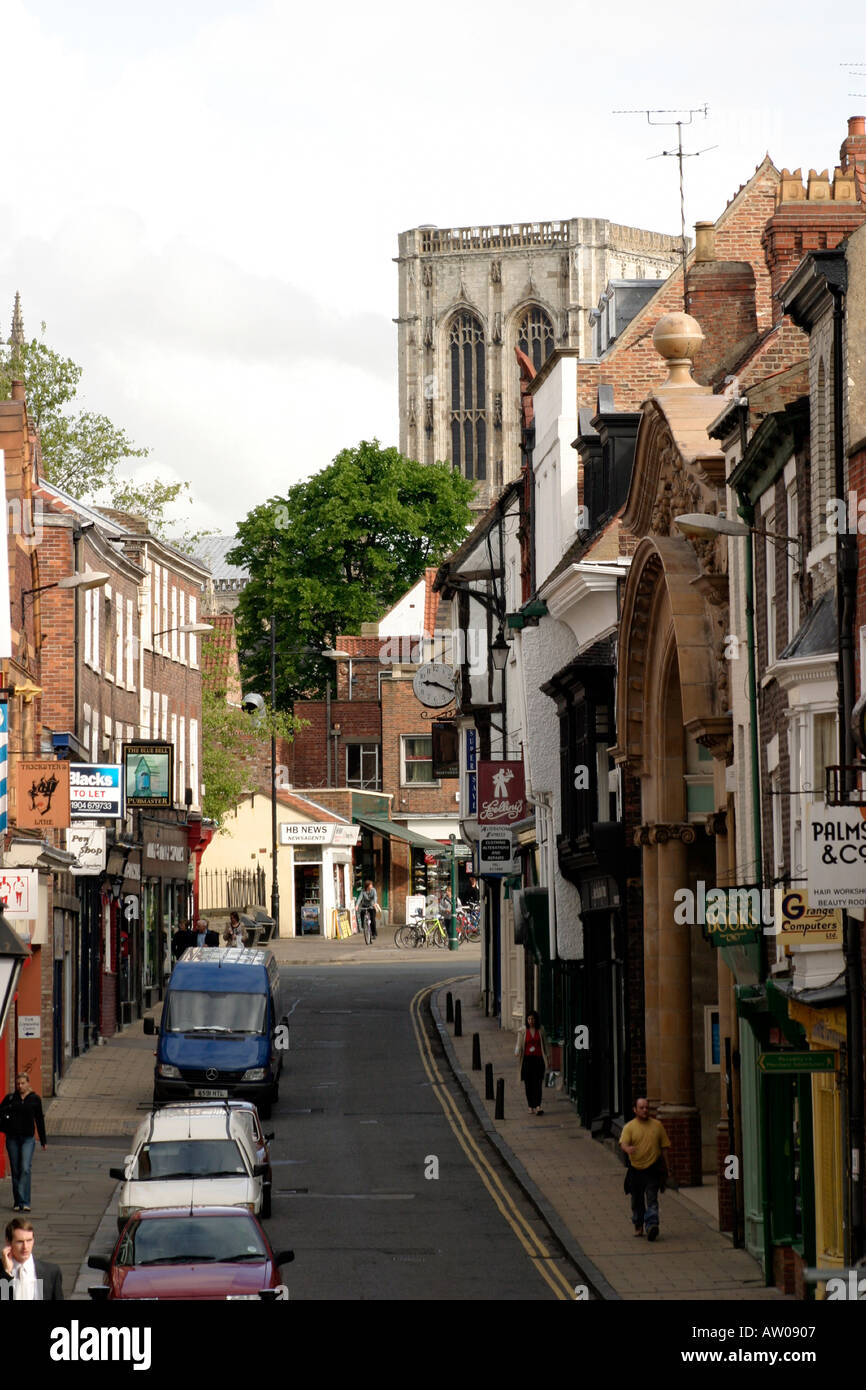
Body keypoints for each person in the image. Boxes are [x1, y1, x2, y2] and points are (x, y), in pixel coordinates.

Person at [619, 1097, 671, 1241]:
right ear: (635, 1110)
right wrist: (627, 1148)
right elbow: (623, 1142)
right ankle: (638, 1224)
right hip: (636, 1171)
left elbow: (664, 1148)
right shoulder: (629, 1127)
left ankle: (652, 1226)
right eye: (641, 1108)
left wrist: (668, 1168)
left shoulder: (657, 1126)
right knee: (637, 1201)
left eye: (647, 1107)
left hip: (652, 1169)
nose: (645, 1110)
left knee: (652, 1199)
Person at [0, 1071, 46, 1212]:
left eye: (23, 1083)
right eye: (18, 1083)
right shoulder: (11, 1098)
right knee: (16, 1170)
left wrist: (43, 1140)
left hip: (27, 1138)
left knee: (25, 1168)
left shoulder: (35, 1099)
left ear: (28, 1083)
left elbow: (39, 1119)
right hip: (12, 1138)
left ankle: (25, 1201)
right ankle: (18, 1201)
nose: (20, 1086)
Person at [1, 1218, 63, 1300]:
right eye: (20, 1242)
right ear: (8, 1242)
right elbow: (4, 1297)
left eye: (29, 1240)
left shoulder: (51, 1272)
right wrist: (7, 1273)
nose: (25, 1247)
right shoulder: (2, 1273)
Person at [514, 1011, 550, 1116]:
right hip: (527, 1061)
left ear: (536, 1020)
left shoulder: (541, 1030)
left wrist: (548, 1058)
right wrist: (516, 1051)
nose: (531, 1021)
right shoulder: (523, 1031)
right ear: (527, 1020)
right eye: (529, 1019)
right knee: (529, 1084)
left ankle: (538, 1106)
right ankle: (530, 1106)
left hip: (538, 1060)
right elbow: (519, 1044)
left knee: (538, 1084)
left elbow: (546, 1045)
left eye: (533, 1019)